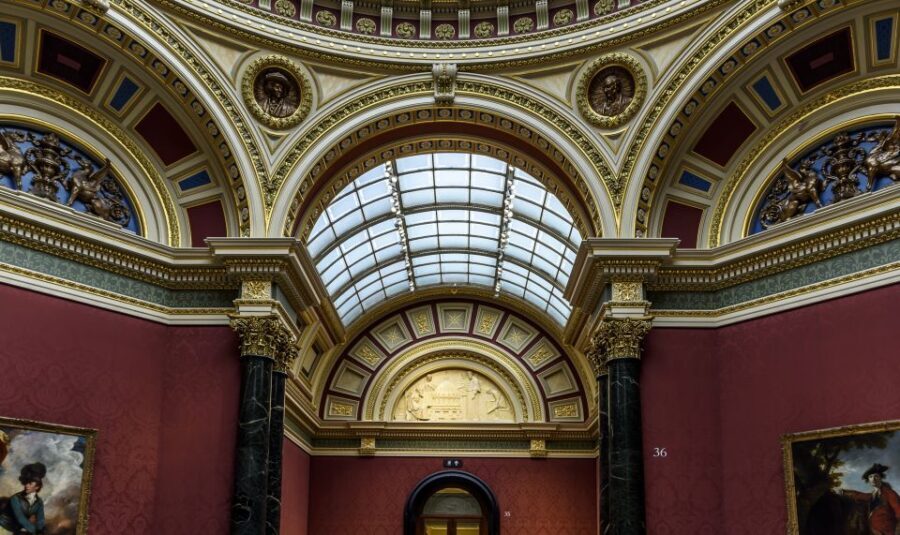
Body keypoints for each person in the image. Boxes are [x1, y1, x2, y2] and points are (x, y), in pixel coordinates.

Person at [837, 463, 900, 535]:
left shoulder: (890, 493)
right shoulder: (873, 495)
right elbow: (860, 495)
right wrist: (844, 492)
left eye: (876, 476)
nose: (873, 479)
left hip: (887, 532)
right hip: (872, 531)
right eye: (870, 477)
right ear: (868, 479)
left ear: (880, 478)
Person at [0, 463, 47, 534]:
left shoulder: (38, 502)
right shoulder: (15, 499)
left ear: (37, 487)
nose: (27, 485)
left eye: (30, 483)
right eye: (27, 482)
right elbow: (20, 518)